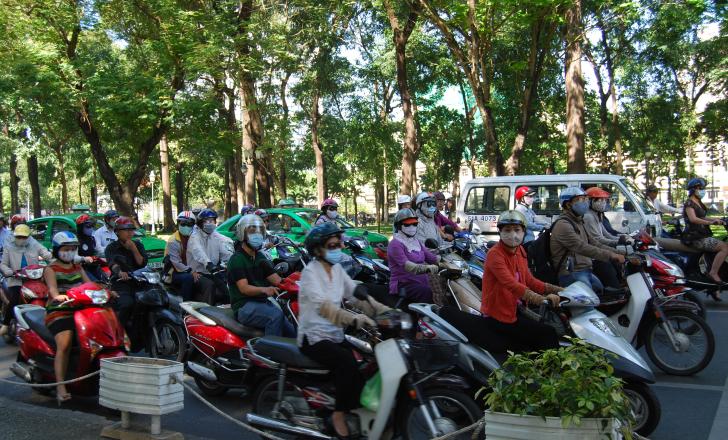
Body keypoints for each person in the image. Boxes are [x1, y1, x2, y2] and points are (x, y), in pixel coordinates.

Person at [298, 222, 389, 439]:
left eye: (339, 243)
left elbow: (353, 293)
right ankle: (339, 414)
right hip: (314, 338)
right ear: (318, 249)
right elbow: (325, 308)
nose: (338, 248)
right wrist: (354, 318)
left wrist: (382, 309)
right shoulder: (310, 273)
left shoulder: (337, 270)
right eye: (332, 245)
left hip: (334, 334)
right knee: (347, 362)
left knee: (367, 359)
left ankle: (354, 410)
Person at [478, 210, 562, 352]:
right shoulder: (494, 254)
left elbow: (529, 280)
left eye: (517, 230)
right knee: (547, 333)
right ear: (500, 232)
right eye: (507, 230)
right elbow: (511, 284)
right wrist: (541, 299)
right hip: (499, 315)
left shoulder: (520, 251)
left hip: (517, 309)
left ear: (523, 231)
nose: (513, 234)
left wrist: (559, 290)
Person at [43, 232, 91, 403]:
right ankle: (60, 386)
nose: (70, 252)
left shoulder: (77, 267)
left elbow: (88, 285)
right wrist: (58, 296)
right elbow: (52, 290)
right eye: (66, 249)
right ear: (57, 250)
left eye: (72, 249)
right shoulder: (51, 269)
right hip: (59, 310)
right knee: (65, 343)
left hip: (80, 310)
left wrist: (106, 290)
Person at [228, 214, 294, 336]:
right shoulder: (237, 259)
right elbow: (244, 288)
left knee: (292, 330)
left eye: (260, 231)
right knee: (275, 316)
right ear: (243, 233)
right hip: (244, 306)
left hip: (262, 303)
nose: (257, 234)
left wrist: (296, 281)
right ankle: (270, 353)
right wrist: (265, 289)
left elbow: (277, 280)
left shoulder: (259, 257)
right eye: (252, 231)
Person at [550, 187, 626, 293]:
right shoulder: (563, 225)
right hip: (572, 273)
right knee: (589, 306)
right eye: (581, 200)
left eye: (586, 199)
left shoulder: (579, 221)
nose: (585, 202)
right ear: (568, 204)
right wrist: (611, 256)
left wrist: (619, 252)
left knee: (606, 294)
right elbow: (582, 247)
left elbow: (593, 242)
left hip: (585, 270)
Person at [0, 224, 53, 336]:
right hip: (16, 279)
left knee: (49, 293)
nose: (21, 239)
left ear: (28, 236)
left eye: (24, 237)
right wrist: (9, 272)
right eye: (19, 237)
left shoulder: (34, 244)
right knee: (14, 298)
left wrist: (53, 258)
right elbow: (3, 264)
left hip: (34, 279)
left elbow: (45, 254)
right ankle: (5, 324)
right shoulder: (8, 247)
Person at [682, 178, 728, 289]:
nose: (703, 190)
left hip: (702, 234)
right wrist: (710, 222)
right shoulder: (689, 203)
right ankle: (713, 273)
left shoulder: (697, 202)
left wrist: (716, 220)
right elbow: (693, 219)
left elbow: (701, 217)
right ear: (694, 189)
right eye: (701, 188)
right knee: (725, 247)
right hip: (695, 237)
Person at [105, 216, 148, 331]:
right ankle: (118, 332)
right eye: (125, 230)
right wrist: (120, 272)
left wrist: (134, 249)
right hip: (121, 282)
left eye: (131, 230)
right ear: (117, 232)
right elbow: (112, 264)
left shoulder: (138, 245)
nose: (129, 233)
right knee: (127, 304)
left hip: (139, 280)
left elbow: (142, 263)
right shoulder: (111, 248)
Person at [387, 208, 439, 303]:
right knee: (426, 291)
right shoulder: (395, 244)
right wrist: (427, 268)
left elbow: (431, 257)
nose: (412, 227)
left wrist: (445, 261)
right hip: (404, 284)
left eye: (414, 224)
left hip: (421, 282)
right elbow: (408, 266)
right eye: (407, 224)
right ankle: (423, 318)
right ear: (399, 226)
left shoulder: (416, 242)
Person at [186, 208, 233, 304]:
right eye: (206, 221)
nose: (210, 223)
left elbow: (225, 243)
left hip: (213, 271)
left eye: (212, 220)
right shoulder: (195, 236)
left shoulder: (214, 235)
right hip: (197, 273)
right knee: (210, 286)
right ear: (200, 223)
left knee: (227, 288)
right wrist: (208, 263)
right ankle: (205, 312)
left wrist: (231, 258)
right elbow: (198, 251)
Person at [165, 211, 198, 300]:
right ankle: (186, 306)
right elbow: (177, 264)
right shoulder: (173, 241)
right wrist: (192, 271)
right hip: (175, 272)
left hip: (192, 267)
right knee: (188, 278)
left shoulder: (195, 237)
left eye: (189, 224)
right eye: (183, 223)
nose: (185, 226)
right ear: (178, 224)